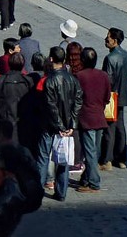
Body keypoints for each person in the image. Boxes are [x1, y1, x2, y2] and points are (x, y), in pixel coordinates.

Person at [37, 47, 82, 202]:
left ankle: (37, 191)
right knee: (63, 160)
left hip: (50, 125)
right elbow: (78, 102)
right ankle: (61, 192)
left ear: (51, 59)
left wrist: (60, 126)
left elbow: (51, 107)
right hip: (67, 126)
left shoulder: (49, 81)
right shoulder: (72, 79)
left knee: (43, 157)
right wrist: (71, 124)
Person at [73, 48, 110, 193]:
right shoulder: (104, 76)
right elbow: (107, 97)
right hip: (99, 117)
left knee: (89, 151)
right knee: (94, 149)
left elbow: (76, 98)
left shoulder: (79, 76)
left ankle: (94, 182)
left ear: (82, 60)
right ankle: (86, 178)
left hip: (86, 118)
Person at [101, 28, 127, 170]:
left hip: (111, 96)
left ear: (115, 40)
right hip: (123, 95)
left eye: (108, 37)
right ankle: (121, 159)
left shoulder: (110, 58)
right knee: (120, 126)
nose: (106, 39)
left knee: (109, 128)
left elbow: (107, 80)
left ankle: (107, 159)